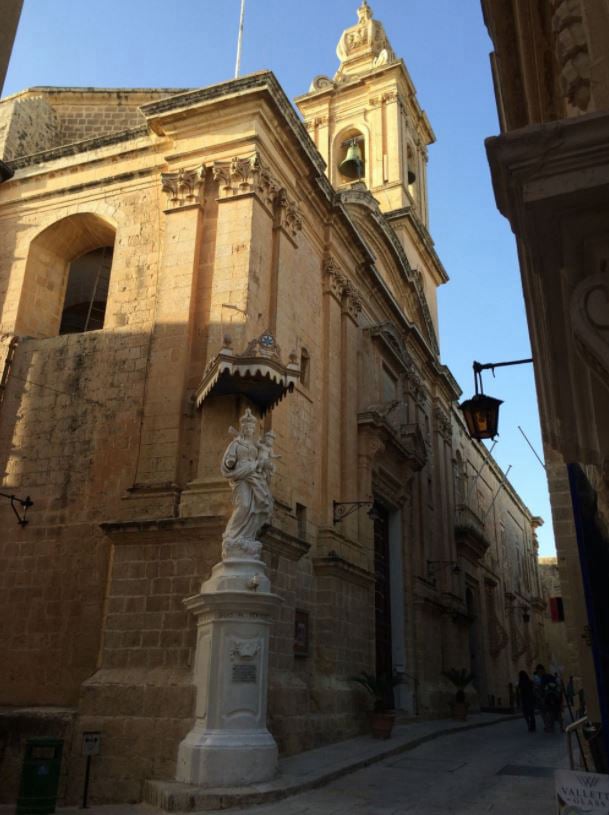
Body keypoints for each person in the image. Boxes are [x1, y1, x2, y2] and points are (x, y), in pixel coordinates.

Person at [220, 409, 274, 555]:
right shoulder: (236, 444)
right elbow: (228, 460)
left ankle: (247, 536)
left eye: (252, 428)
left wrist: (264, 464)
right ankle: (232, 536)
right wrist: (231, 461)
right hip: (241, 475)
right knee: (243, 505)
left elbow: (262, 459)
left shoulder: (254, 445)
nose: (250, 430)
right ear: (243, 428)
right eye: (248, 428)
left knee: (258, 506)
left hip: (254, 475)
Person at [534, 664, 562, 733]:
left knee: (549, 712)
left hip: (549, 698)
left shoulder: (544, 678)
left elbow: (541, 689)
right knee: (555, 712)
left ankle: (551, 727)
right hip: (553, 697)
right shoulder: (548, 677)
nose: (539, 673)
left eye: (540, 672)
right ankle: (556, 726)